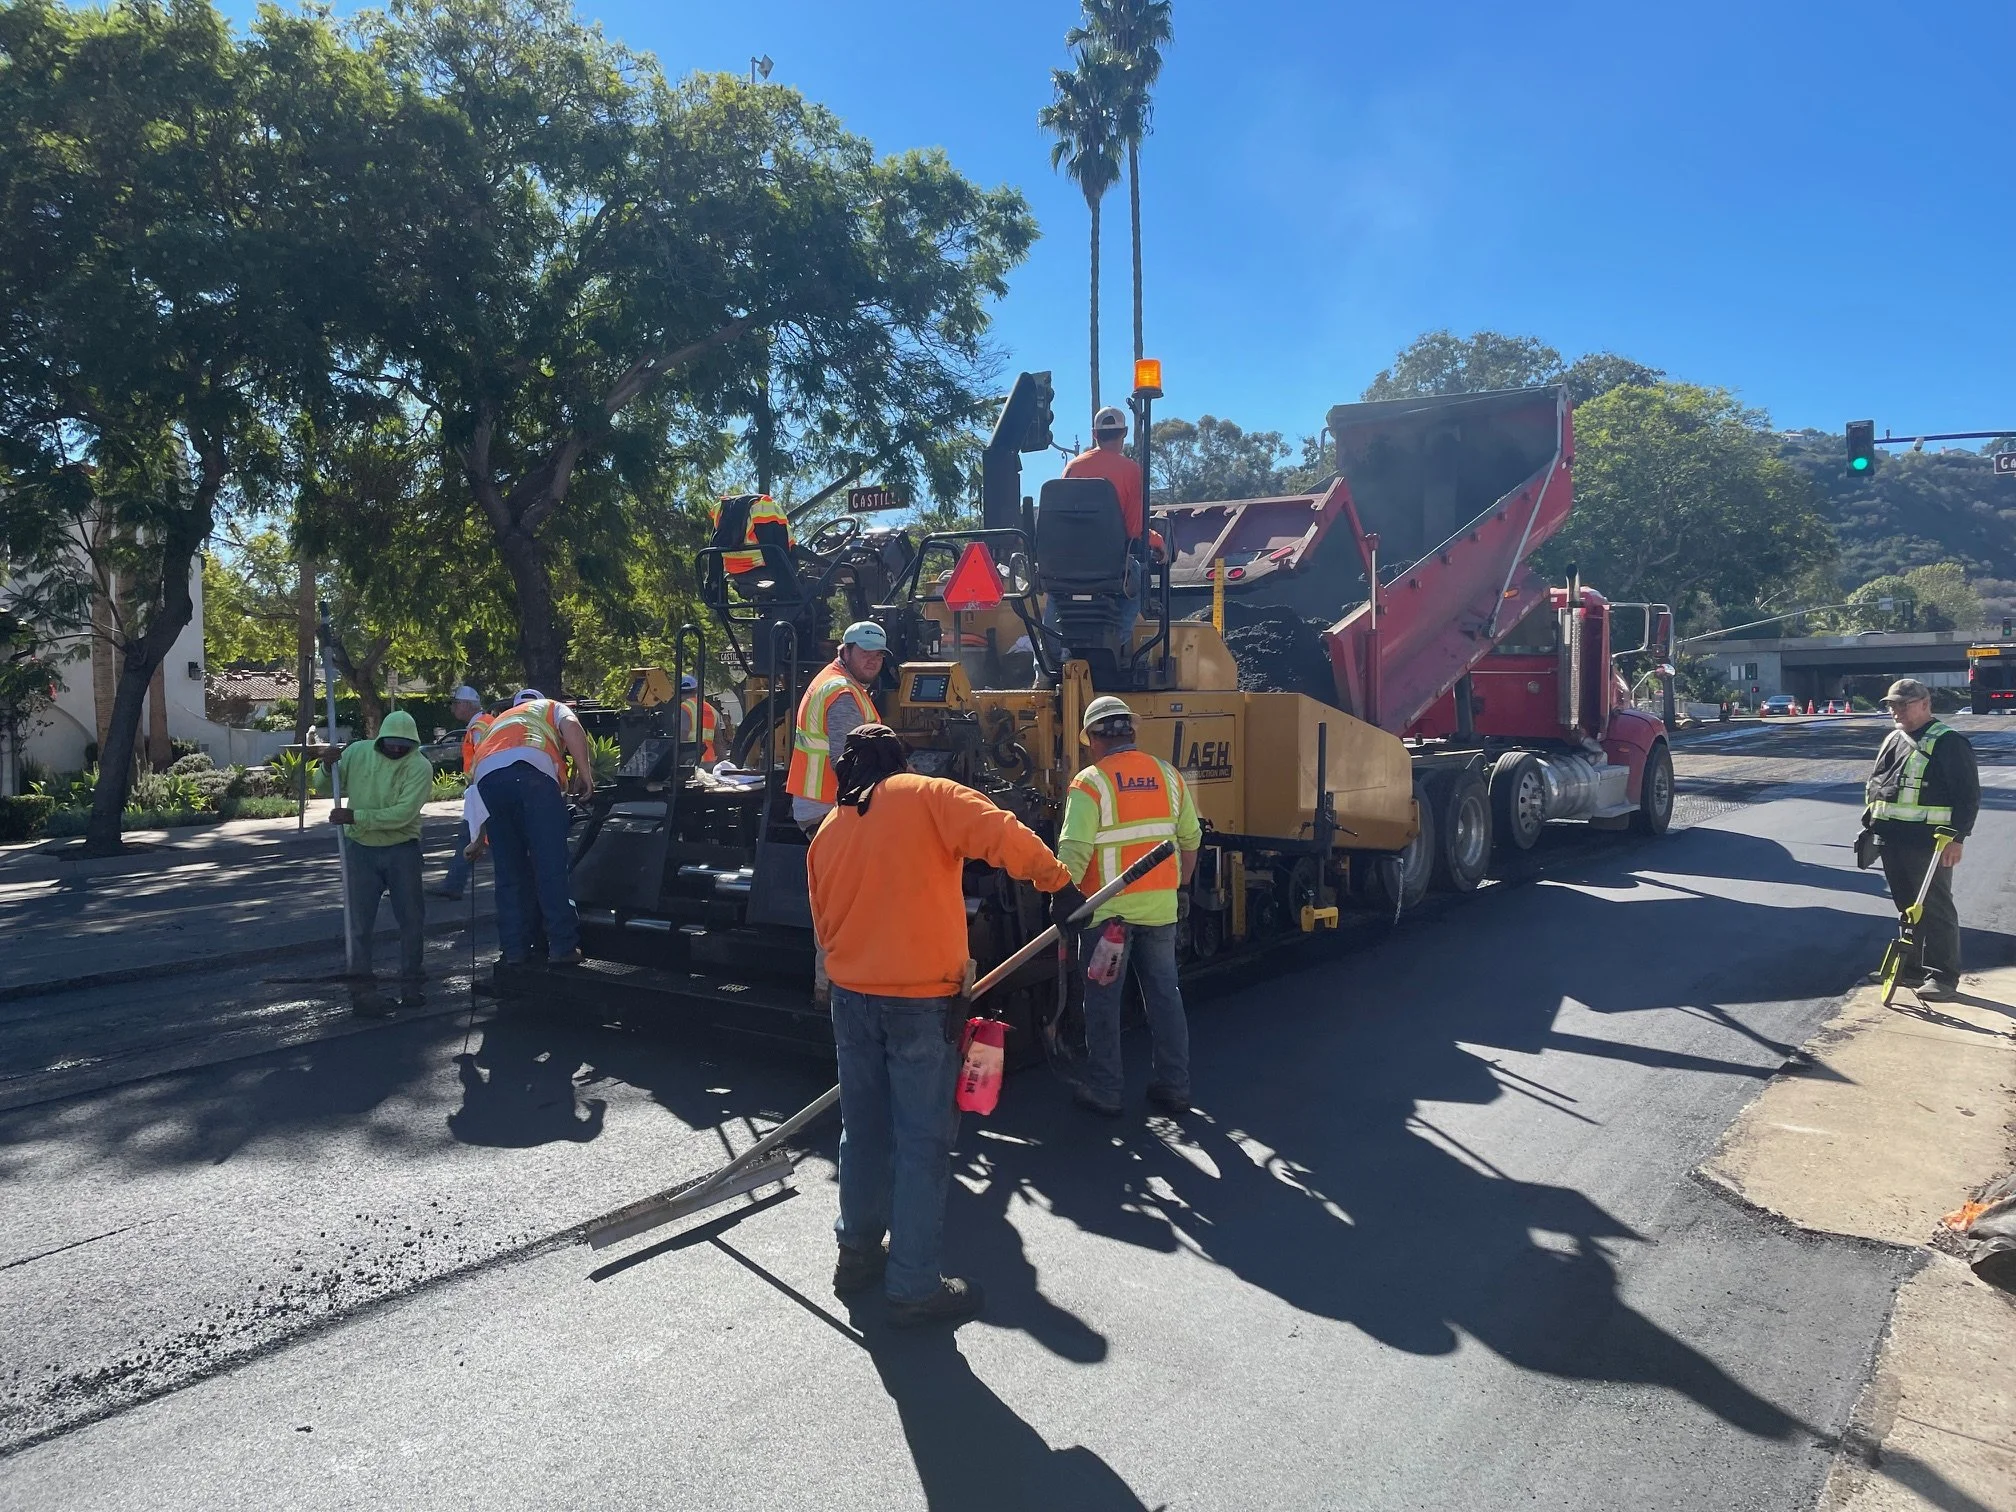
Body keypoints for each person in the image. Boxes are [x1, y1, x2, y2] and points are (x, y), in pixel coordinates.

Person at [806, 723, 1079, 1328]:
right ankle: (913, 1284)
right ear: (899, 759)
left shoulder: (828, 830)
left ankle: (855, 1257)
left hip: (852, 1001)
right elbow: (1003, 832)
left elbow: (823, 926)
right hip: (919, 1005)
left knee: (864, 1132)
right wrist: (1057, 882)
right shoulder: (931, 796)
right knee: (922, 1141)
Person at [1058, 695, 1202, 1116]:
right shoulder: (1168, 775)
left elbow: (1074, 852)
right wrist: (1182, 886)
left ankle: (1106, 1090)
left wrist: (1059, 898)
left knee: (1103, 1002)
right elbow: (1191, 839)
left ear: (1093, 740)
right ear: (1131, 732)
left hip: (1107, 918)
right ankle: (1174, 1086)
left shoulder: (1090, 783)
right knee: (1164, 996)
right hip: (1160, 910)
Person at [1862, 678, 1978, 1000]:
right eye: (1893, 705)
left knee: (1936, 908)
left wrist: (1957, 839)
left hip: (1931, 842)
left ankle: (1943, 976)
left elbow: (1968, 796)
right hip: (1892, 839)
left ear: (1925, 704)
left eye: (1904, 704)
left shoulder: (1948, 742)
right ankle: (1910, 968)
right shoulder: (1893, 739)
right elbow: (1880, 786)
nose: (1897, 710)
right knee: (1907, 907)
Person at [466, 688, 595, 968]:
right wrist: (585, 774)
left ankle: (514, 950)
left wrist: (478, 838)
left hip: (487, 780)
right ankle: (562, 946)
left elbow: (477, 789)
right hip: (531, 775)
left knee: (510, 871)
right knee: (550, 865)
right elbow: (572, 726)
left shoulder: (498, 722)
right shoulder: (551, 707)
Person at [332, 709, 435, 1014]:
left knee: (412, 921)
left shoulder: (419, 766)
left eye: (402, 744)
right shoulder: (357, 752)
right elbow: (325, 785)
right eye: (390, 742)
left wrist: (355, 816)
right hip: (360, 849)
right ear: (380, 739)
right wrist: (327, 767)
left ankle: (411, 985)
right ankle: (362, 994)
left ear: (412, 744)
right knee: (358, 925)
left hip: (402, 850)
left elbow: (403, 814)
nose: (395, 748)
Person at [787, 621, 886, 838]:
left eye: (878, 655)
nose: (873, 660)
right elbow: (846, 761)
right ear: (845, 650)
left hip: (820, 802)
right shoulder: (843, 692)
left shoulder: (835, 679)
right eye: (865, 651)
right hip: (827, 806)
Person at [431, 685, 492, 901]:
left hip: (481, 788)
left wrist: (476, 787)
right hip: (485, 787)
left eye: (455, 704)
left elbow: (483, 757)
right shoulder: (485, 722)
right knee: (474, 836)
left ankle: (454, 885)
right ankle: (454, 883)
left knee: (470, 836)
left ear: (467, 705)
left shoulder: (478, 726)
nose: (453, 709)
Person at [708, 492, 795, 589]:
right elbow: (787, 551)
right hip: (764, 571)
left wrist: (712, 582)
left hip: (735, 572)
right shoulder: (767, 507)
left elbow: (714, 546)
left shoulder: (722, 509)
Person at [679, 674, 719, 765]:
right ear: (696, 690)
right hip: (710, 762)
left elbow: (682, 738)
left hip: (691, 763)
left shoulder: (683, 709)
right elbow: (719, 741)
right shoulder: (711, 709)